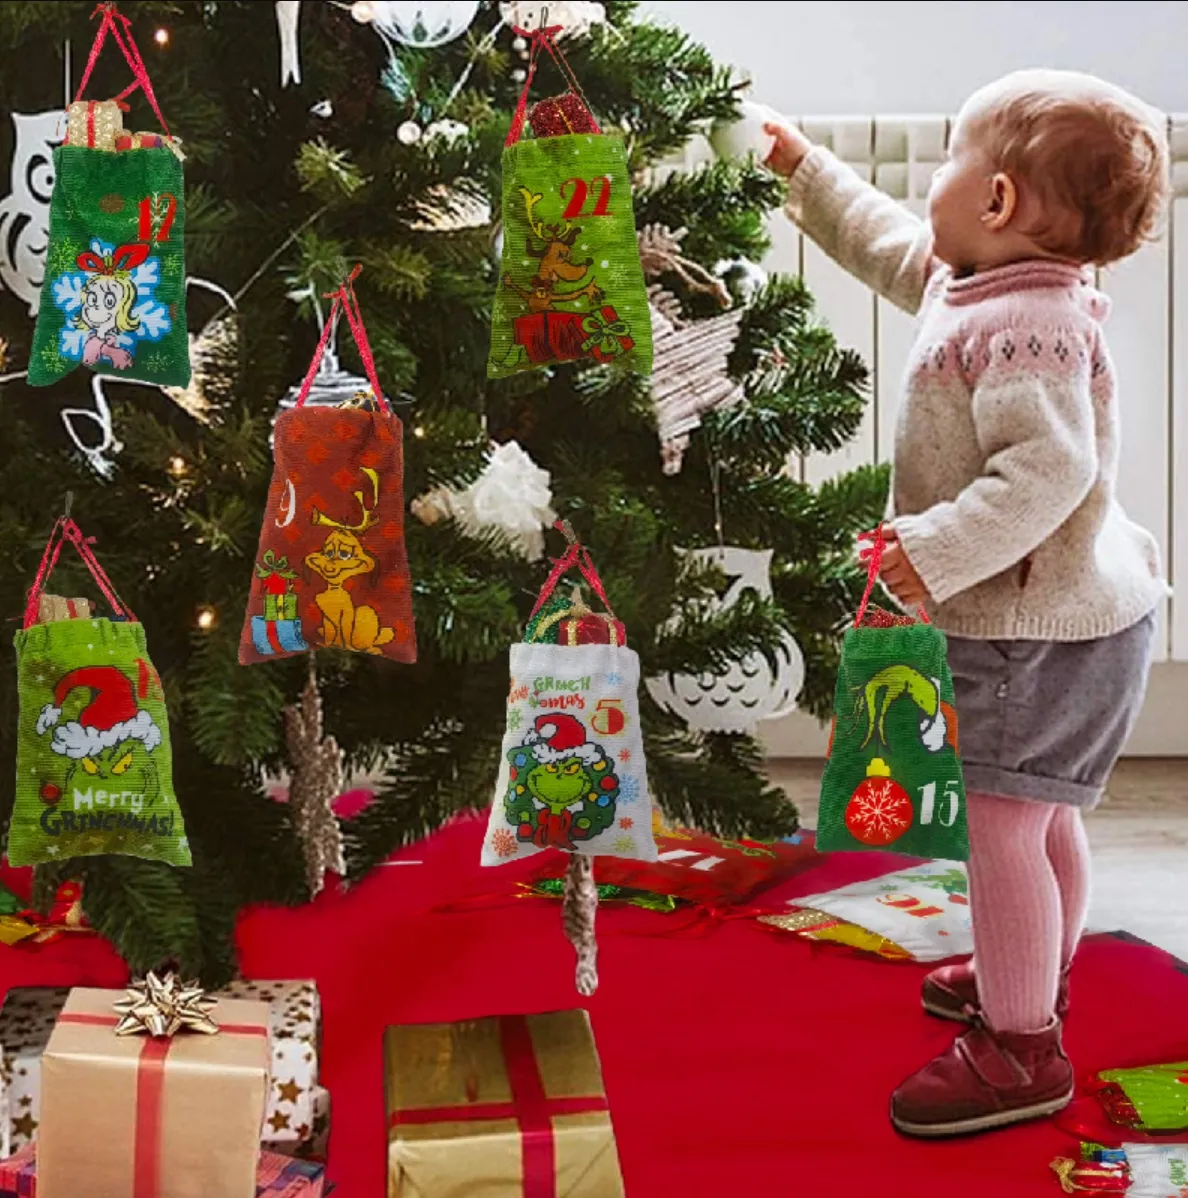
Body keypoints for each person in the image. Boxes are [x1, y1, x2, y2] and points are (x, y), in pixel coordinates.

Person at [764, 70, 1169, 1137]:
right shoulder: (980, 282)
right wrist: (805, 171)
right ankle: (1032, 975)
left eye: (947, 158)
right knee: (1041, 817)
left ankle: (1020, 1046)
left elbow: (1047, 473)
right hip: (1080, 616)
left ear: (995, 203)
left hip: (1035, 633)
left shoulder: (1029, 319)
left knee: (1002, 825)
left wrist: (928, 550)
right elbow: (895, 246)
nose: (931, 184)